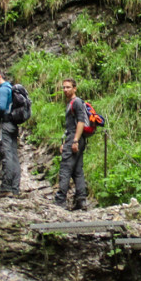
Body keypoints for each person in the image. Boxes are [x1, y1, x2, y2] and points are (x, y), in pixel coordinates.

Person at [54, 79, 88, 210]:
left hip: (75, 138)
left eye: (68, 87)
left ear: (75, 88)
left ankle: (60, 200)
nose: (65, 90)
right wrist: (65, 142)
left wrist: (75, 141)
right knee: (77, 170)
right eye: (63, 87)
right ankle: (81, 200)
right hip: (73, 138)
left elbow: (81, 122)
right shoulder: (71, 103)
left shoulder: (77, 102)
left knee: (65, 168)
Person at [0, 71, 21, 199]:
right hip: (12, 125)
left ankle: (6, 188)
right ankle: (15, 188)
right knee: (13, 156)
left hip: (3, 126)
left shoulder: (2, 90)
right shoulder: (11, 89)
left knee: (6, 155)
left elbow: (1, 107)